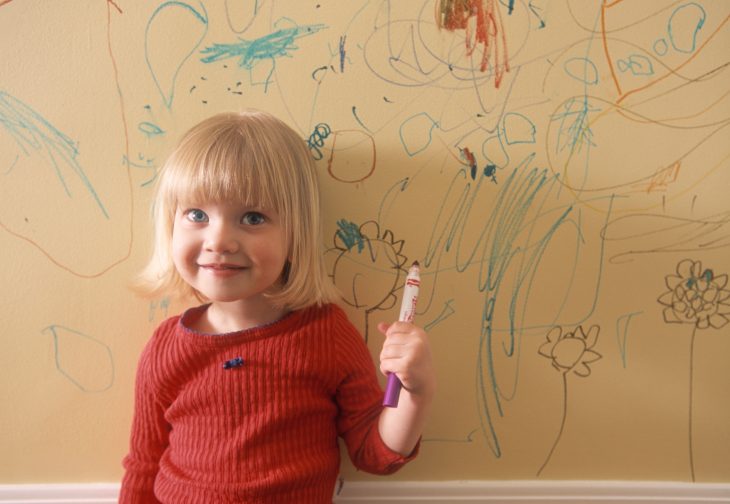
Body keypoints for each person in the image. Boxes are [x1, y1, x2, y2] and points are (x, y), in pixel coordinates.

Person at [120, 110, 435, 503]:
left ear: (295, 232)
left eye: (252, 217)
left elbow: (373, 454)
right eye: (197, 214)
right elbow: (144, 465)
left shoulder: (325, 334)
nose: (219, 240)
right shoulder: (164, 348)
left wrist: (415, 391)